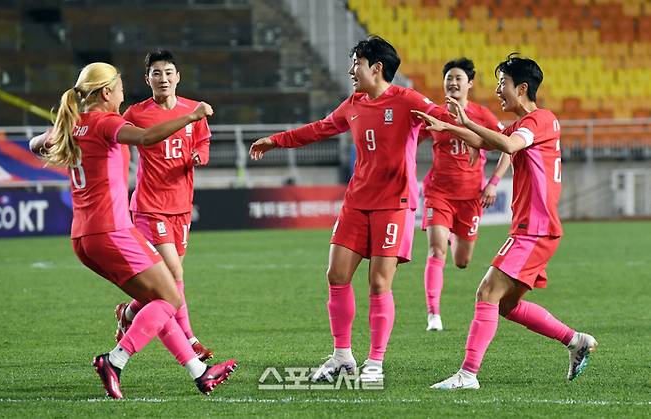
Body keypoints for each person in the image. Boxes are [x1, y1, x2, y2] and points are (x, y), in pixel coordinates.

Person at [29, 62, 236, 399]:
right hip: (113, 231)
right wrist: (190, 116)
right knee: (170, 296)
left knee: (158, 297)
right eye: (121, 88)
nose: (124, 94)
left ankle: (200, 373)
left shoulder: (73, 123)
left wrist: (51, 136)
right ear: (107, 92)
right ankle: (115, 360)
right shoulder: (105, 122)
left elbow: (35, 144)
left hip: (83, 237)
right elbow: (145, 138)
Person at [249, 36, 448, 383]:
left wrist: (480, 133)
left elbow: (446, 120)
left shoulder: (407, 100)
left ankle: (375, 362)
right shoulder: (353, 104)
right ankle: (342, 356)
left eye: (355, 63)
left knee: (378, 283)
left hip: (395, 204)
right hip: (356, 202)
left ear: (376, 67)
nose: (350, 70)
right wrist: (276, 140)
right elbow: (319, 129)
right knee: (336, 275)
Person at [413, 53, 597, 390]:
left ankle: (467, 375)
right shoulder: (532, 122)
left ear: (522, 87)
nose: (499, 90)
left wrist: (465, 122)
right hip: (534, 228)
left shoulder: (537, 121)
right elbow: (486, 141)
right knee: (507, 305)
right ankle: (576, 341)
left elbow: (508, 145)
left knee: (486, 292)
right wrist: (449, 126)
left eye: (503, 84)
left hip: (534, 228)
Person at [114, 49, 213, 361]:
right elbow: (113, 133)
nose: (164, 78)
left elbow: (203, 141)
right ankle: (190, 338)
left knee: (169, 278)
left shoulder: (192, 111)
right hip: (150, 205)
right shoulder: (136, 113)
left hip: (181, 205)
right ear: (148, 79)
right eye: (157, 73)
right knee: (173, 273)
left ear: (178, 76)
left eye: (169, 72)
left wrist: (201, 155)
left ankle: (129, 313)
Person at [420, 58, 510, 332]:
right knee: (436, 250)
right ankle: (433, 313)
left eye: (458, 78)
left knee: (462, 261)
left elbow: (508, 148)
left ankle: (449, 234)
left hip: (471, 197)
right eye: (449, 78)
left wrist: (493, 182)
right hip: (438, 194)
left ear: (469, 83)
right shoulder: (435, 113)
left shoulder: (482, 116)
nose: (453, 82)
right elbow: (410, 137)